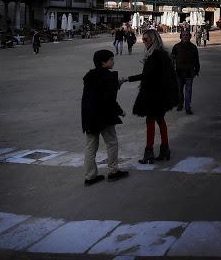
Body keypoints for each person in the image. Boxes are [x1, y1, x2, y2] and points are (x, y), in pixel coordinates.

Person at [127, 30, 179, 164]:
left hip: (155, 94)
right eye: (143, 39)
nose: (144, 42)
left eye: (146, 40)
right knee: (160, 120)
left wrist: (127, 79)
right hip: (160, 94)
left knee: (151, 121)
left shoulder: (156, 55)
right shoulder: (159, 54)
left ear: (153, 40)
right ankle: (164, 149)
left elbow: (148, 75)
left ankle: (149, 151)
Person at [81, 49, 129, 186]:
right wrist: (120, 112)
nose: (113, 61)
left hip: (89, 116)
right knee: (112, 142)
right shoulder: (109, 77)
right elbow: (109, 100)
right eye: (111, 59)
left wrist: (116, 85)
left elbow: (92, 96)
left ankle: (90, 176)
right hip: (103, 116)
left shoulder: (90, 76)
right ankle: (113, 171)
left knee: (91, 146)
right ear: (103, 62)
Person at [171, 31, 200, 115]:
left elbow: (196, 60)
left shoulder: (193, 47)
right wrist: (172, 70)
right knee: (179, 90)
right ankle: (180, 104)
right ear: (180, 37)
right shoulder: (176, 47)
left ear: (190, 37)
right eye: (183, 35)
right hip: (179, 72)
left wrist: (196, 70)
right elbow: (172, 59)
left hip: (189, 73)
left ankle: (187, 107)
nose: (185, 37)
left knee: (188, 91)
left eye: (187, 35)